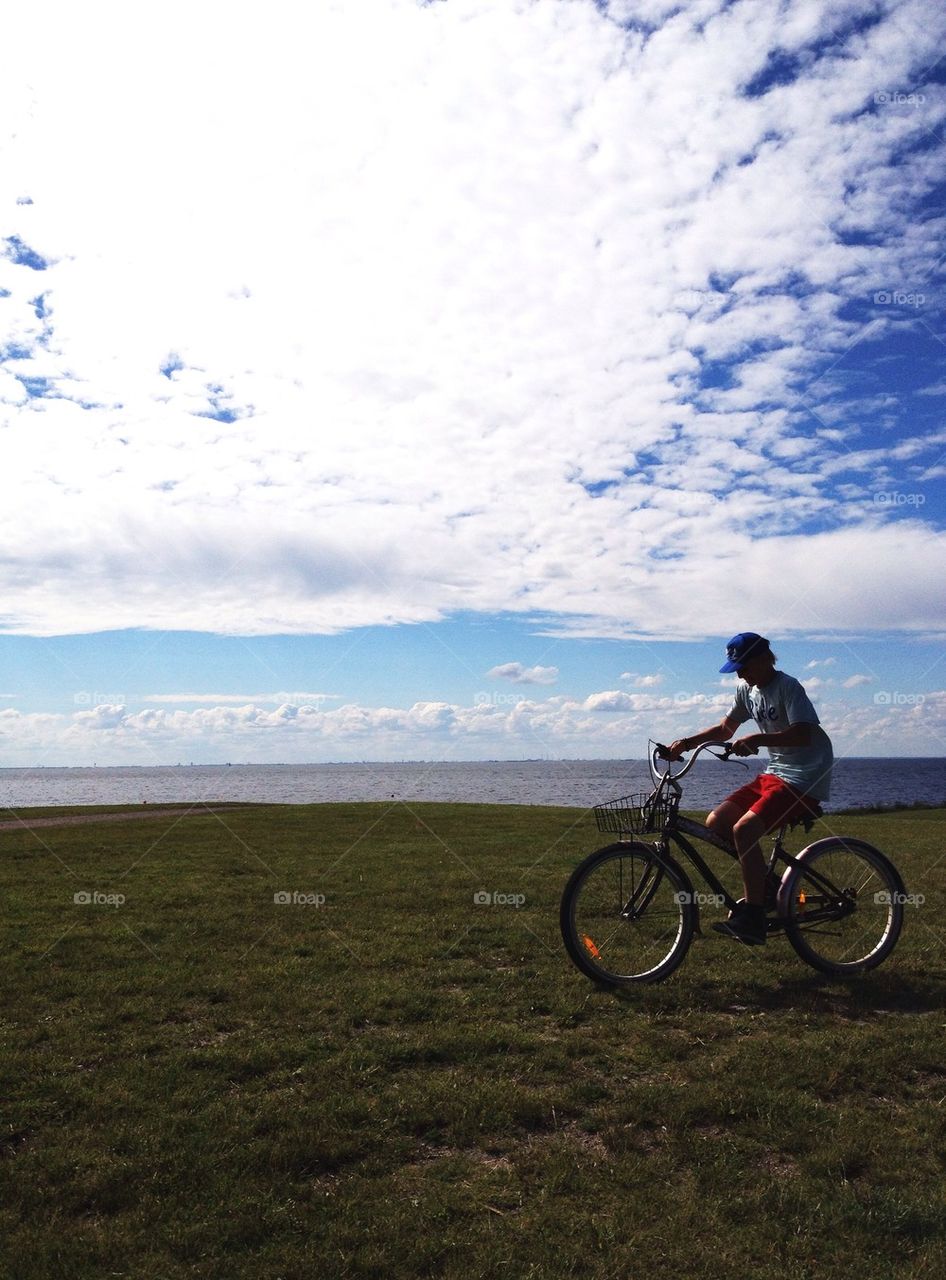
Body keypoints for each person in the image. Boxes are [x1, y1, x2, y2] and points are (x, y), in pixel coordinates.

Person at [667, 632, 833, 946]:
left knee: (745, 830)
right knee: (717, 823)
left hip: (805, 776)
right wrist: (686, 744)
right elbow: (725, 729)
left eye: (743, 666)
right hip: (777, 772)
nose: (740, 674)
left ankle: (754, 915)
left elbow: (804, 735)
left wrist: (757, 740)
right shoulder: (747, 690)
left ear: (762, 659)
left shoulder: (788, 687)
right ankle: (767, 888)